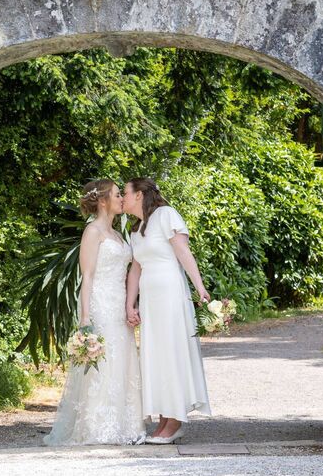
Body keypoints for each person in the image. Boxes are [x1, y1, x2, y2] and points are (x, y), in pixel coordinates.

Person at [43, 179, 146, 445]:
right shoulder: (93, 232)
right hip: (100, 303)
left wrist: (131, 304)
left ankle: (125, 425)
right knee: (103, 364)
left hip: (120, 303)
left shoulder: (118, 234)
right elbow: (86, 277)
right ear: (102, 201)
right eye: (115, 195)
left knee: (122, 361)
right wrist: (85, 318)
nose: (121, 198)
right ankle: (96, 427)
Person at [123, 177, 211, 444]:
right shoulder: (135, 228)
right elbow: (136, 267)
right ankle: (164, 417)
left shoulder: (166, 215)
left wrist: (200, 288)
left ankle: (175, 419)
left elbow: (184, 252)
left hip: (171, 294)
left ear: (139, 194)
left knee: (172, 352)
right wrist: (130, 303)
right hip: (150, 299)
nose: (122, 197)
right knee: (155, 355)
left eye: (125, 192)